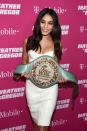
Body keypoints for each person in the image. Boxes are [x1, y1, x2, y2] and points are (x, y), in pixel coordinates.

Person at [19, 8, 66, 131]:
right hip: (32, 88)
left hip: (49, 90)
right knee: (37, 125)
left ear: (54, 26)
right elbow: (23, 64)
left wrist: (59, 76)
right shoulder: (28, 41)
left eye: (50, 23)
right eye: (43, 22)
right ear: (38, 23)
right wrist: (24, 73)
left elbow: (55, 68)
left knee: (43, 127)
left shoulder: (57, 44)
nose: (46, 26)